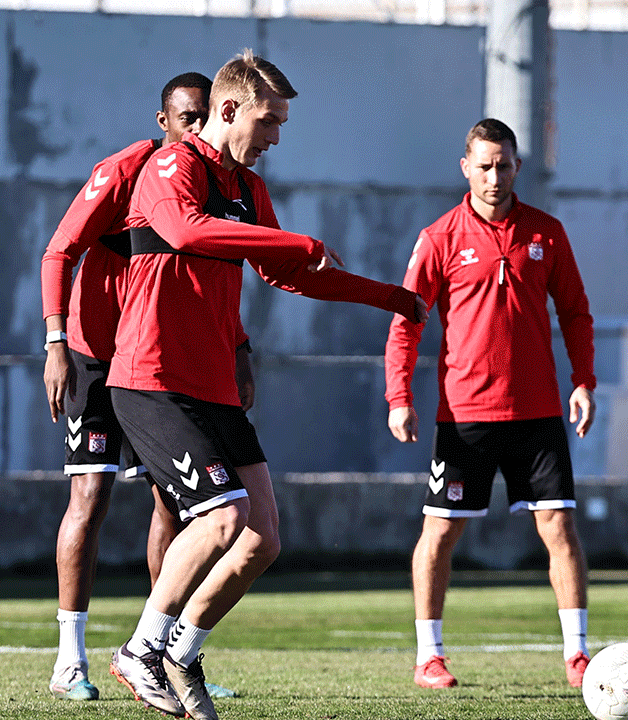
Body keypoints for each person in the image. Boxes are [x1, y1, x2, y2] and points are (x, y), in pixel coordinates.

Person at [105, 50, 427, 720]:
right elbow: (186, 231)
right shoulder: (171, 167)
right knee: (223, 516)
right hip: (151, 377)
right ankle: (139, 648)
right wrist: (295, 242)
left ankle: (182, 651)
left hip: (212, 384)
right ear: (228, 110)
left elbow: (288, 272)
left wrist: (389, 297)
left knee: (263, 539)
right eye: (269, 121)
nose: (277, 137)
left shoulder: (248, 189)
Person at [40, 72, 246, 702]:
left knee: (179, 508)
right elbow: (58, 251)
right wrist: (55, 344)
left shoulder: (217, 182)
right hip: (95, 359)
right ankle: (69, 660)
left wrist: (240, 349)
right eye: (184, 118)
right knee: (91, 498)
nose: (193, 128)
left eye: (201, 117)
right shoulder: (127, 170)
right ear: (164, 121)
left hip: (158, 364)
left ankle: (160, 652)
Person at [384, 118, 597, 690]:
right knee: (441, 533)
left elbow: (575, 312)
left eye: (503, 164)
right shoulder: (439, 237)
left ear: (517, 166)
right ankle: (429, 656)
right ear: (465, 168)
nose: (494, 176)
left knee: (559, 527)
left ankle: (577, 655)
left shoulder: (546, 233)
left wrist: (584, 381)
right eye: (484, 165)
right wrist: (398, 396)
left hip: (537, 413)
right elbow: (407, 322)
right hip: (464, 415)